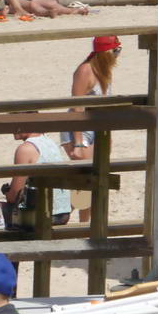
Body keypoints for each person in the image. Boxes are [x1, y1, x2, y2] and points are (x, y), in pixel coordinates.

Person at [61, 35, 122, 222]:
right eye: (116, 50)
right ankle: (58, 218)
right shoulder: (85, 70)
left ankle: (85, 226)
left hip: (98, 129)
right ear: (105, 52)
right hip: (80, 129)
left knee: (93, 182)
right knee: (84, 183)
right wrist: (78, 143)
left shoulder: (104, 71)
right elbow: (77, 106)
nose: (118, 55)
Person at [4, 126, 73, 230]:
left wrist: (6, 192)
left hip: (41, 216)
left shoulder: (26, 148)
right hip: (63, 214)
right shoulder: (50, 142)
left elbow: (14, 196)